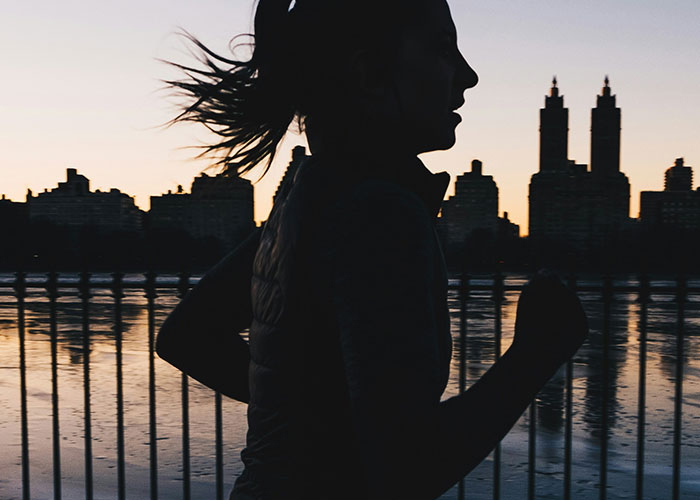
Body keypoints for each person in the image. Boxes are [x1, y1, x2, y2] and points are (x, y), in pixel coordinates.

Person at [156, 0, 589, 499]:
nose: (467, 76)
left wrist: (317, 418)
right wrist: (538, 352)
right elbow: (409, 472)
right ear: (369, 74)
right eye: (441, 49)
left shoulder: (312, 194)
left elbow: (188, 336)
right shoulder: (380, 211)